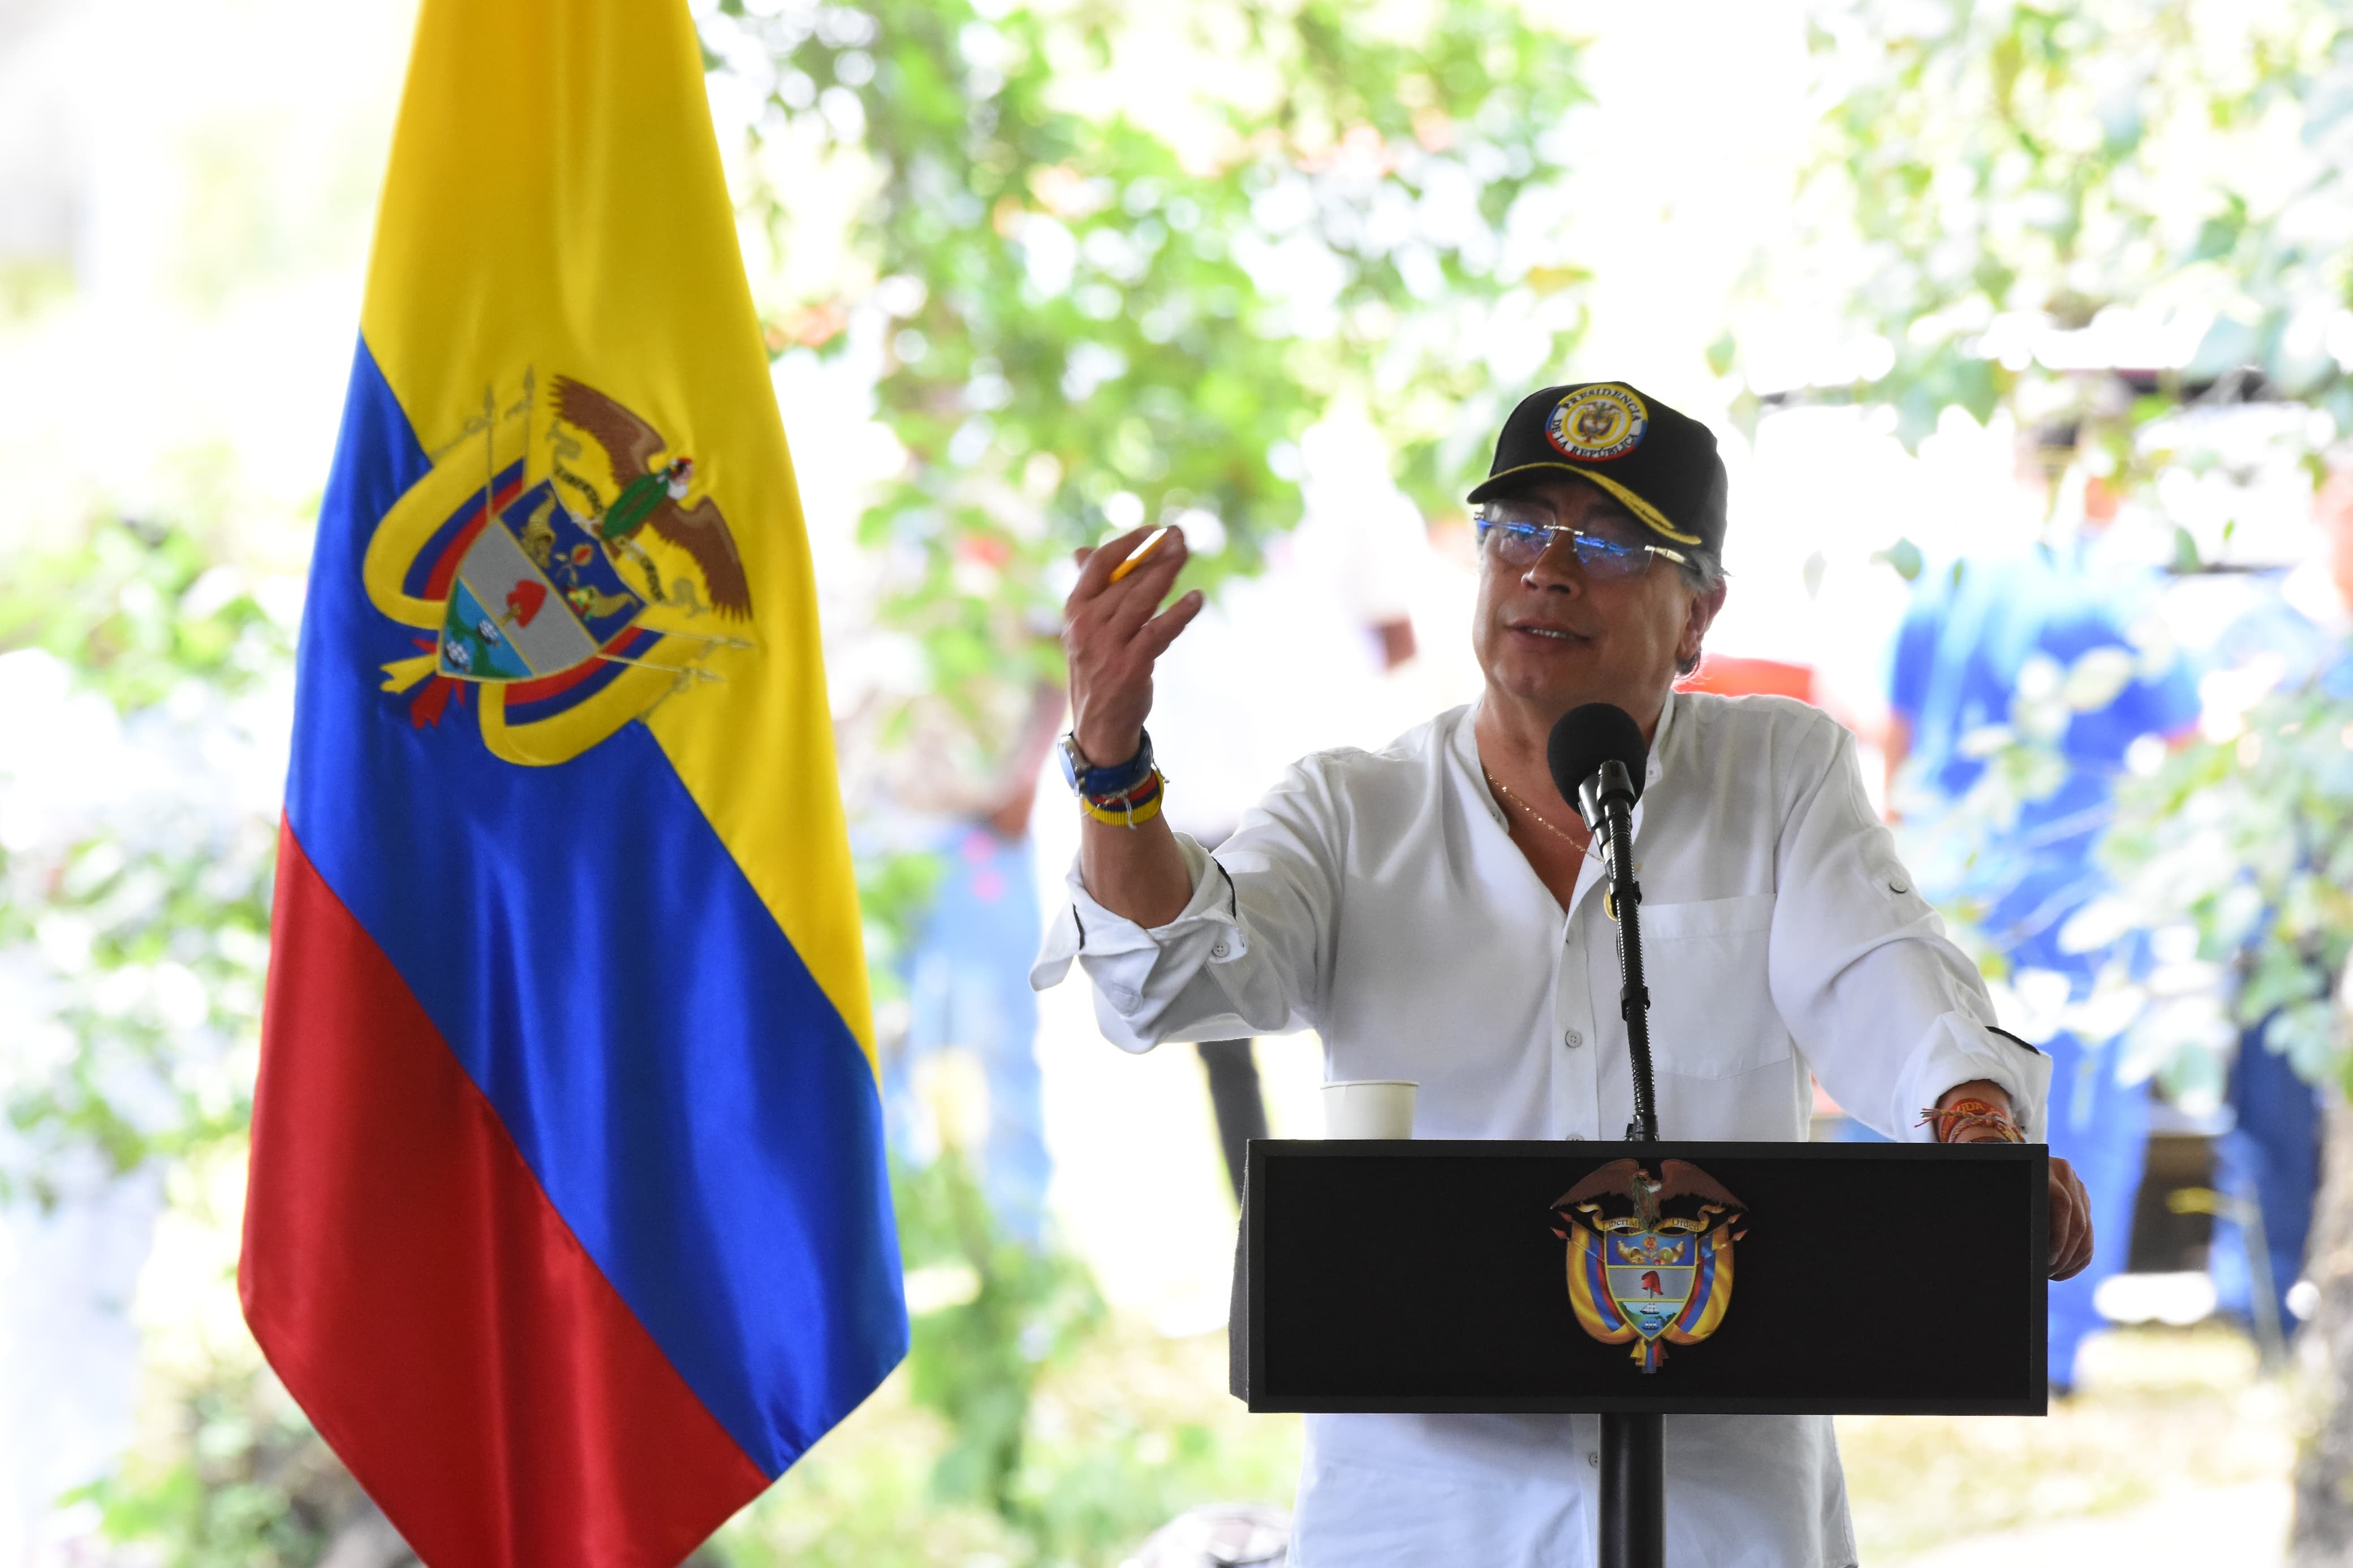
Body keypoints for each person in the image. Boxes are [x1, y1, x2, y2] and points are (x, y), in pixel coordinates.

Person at [1032, 381, 2093, 1567]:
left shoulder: (1776, 776)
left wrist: (1975, 1124)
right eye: (1517, 531)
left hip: (1718, 1514)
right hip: (1426, 1515)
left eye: (1607, 542)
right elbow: (1166, 978)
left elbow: (1882, 974)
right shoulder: (1353, 808)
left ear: (1699, 614)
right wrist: (1111, 763)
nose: (1546, 570)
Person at [1882, 425, 2199, 1392]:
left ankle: (1907, 1327)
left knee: (1927, 1088)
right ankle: (2043, 1348)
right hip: (2079, 878)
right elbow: (2187, 744)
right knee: (2075, 1103)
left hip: (1951, 868)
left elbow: (1896, 738)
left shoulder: (1949, 576)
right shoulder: (2118, 587)